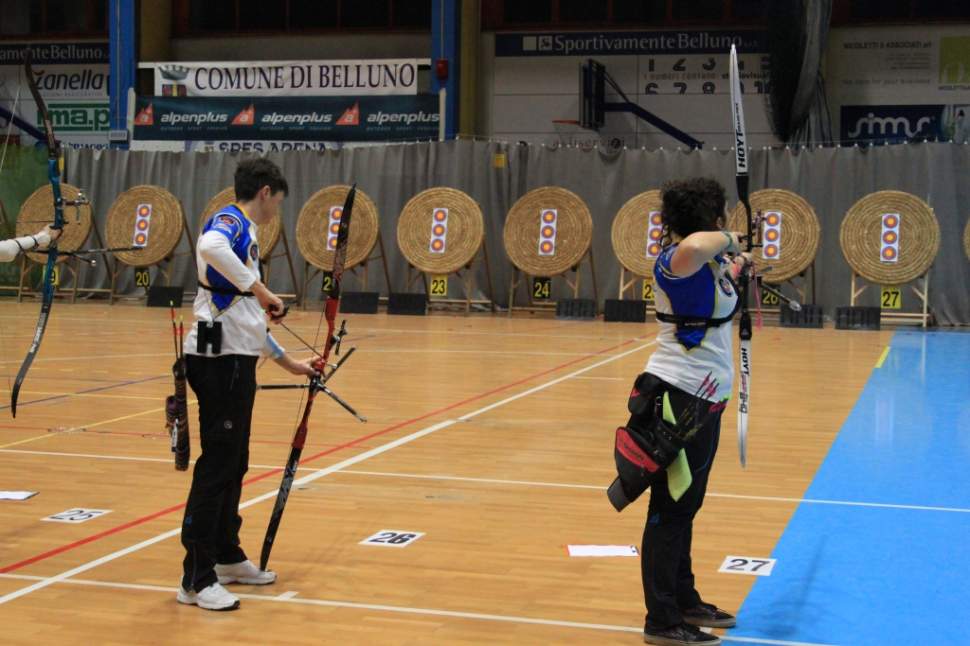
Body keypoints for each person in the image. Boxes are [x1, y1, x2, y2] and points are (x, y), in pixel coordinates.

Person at [177, 158, 317, 612]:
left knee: (235, 461)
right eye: (278, 199)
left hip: (236, 359)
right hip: (216, 364)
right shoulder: (230, 222)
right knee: (218, 465)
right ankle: (194, 580)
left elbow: (248, 320)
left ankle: (224, 557)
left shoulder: (247, 235)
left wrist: (288, 362)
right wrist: (260, 288)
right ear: (265, 192)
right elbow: (209, 246)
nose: (278, 207)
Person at [637, 178, 751, 646]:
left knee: (688, 505)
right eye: (720, 217)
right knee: (670, 508)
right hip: (678, 397)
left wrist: (739, 264)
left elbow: (716, 279)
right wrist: (731, 240)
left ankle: (684, 599)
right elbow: (700, 246)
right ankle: (661, 620)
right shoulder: (676, 259)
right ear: (711, 220)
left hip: (706, 398)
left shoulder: (706, 263)